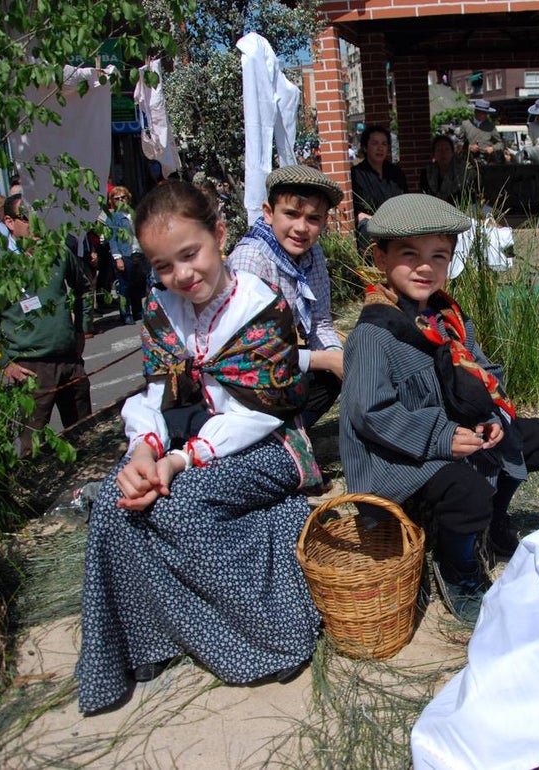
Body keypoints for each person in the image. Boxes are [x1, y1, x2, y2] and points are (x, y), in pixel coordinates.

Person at [76, 181, 322, 715]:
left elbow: (259, 412)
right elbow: (155, 396)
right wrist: (142, 453)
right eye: (164, 266)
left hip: (268, 442)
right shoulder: (161, 310)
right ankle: (149, 643)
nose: (182, 276)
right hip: (182, 438)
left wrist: (180, 459)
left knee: (179, 506)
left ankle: (265, 636)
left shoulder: (262, 308)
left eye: (191, 255)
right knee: (118, 508)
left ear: (220, 235)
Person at [339, 194, 539, 623]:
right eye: (409, 254)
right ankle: (457, 565)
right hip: (394, 455)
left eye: (439, 256)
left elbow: (484, 371)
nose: (425, 267)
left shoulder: (449, 319)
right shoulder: (373, 334)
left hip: (451, 434)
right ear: (380, 257)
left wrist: (493, 417)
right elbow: (370, 412)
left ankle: (488, 523)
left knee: (533, 438)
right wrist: (439, 436)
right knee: (465, 489)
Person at [227, 165, 345, 427]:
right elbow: (246, 351)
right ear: (268, 213)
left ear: (324, 221)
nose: (301, 228)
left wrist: (338, 357)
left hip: (283, 362)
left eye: (313, 219)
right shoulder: (251, 262)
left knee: (331, 375)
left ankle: (287, 431)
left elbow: (320, 322)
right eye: (291, 214)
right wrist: (322, 359)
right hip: (245, 374)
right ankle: (270, 435)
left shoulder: (311, 255)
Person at [0, 193, 92, 456]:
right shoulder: (0, 266)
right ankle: (35, 494)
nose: (35, 224)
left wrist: (81, 327)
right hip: (31, 365)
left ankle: (87, 490)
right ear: (9, 222)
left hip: (69, 359)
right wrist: (5, 362)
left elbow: (84, 287)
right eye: (27, 218)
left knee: (85, 437)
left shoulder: (59, 252)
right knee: (31, 446)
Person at [351, 125, 408, 251]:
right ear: (365, 147)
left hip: (398, 225)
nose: (380, 148)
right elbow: (357, 213)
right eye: (375, 143)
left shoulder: (396, 173)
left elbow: (406, 202)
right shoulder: (356, 174)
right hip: (371, 228)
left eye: (384, 144)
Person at [100, 185, 145, 325]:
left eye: (123, 197)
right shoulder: (112, 217)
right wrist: (117, 257)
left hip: (138, 251)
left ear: (128, 198)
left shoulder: (134, 213)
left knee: (138, 283)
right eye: (117, 198)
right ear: (112, 201)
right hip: (124, 254)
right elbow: (112, 239)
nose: (120, 200)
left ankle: (138, 311)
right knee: (125, 285)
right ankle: (125, 313)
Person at [419, 135, 473, 206]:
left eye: (447, 149)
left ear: (452, 152)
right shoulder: (426, 173)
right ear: (434, 154)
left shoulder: (465, 173)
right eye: (439, 150)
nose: (443, 153)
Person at [459, 99, 505, 164]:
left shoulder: (491, 126)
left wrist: (492, 148)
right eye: (481, 112)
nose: (483, 115)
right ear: (475, 111)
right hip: (468, 161)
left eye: (485, 113)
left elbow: (501, 143)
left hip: (486, 161)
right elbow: (458, 142)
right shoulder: (466, 124)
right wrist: (468, 147)